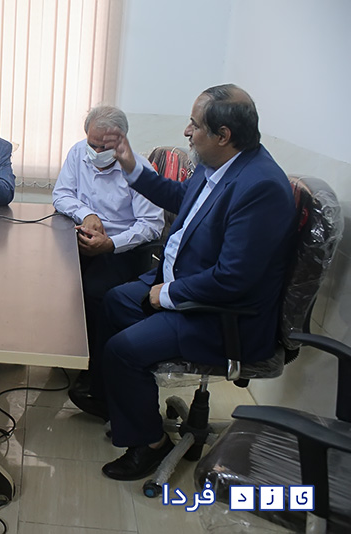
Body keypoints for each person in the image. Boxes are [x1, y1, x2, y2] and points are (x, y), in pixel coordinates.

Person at [96, 84, 295, 480]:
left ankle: (149, 443)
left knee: (122, 350)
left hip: (222, 316)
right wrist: (131, 165)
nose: (187, 131)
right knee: (115, 300)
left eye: (195, 125)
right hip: (187, 286)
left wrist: (166, 294)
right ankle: (126, 401)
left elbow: (234, 279)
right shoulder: (217, 163)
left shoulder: (261, 188)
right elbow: (179, 197)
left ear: (223, 135)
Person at [52, 106, 164, 414]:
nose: (98, 152)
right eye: (94, 144)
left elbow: (152, 224)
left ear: (122, 141)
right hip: (80, 235)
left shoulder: (139, 170)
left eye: (106, 147)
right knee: (52, 278)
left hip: (121, 248)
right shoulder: (79, 152)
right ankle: (67, 353)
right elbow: (61, 195)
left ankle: (97, 377)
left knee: (95, 292)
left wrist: (111, 243)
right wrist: (87, 214)